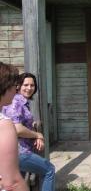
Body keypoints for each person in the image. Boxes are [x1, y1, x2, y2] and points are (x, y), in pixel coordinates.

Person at [2, 73, 55, 191]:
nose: (29, 88)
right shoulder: (16, 102)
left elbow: (23, 126)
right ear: (18, 86)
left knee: (15, 185)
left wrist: (35, 134)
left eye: (32, 85)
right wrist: (38, 134)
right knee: (49, 170)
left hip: (17, 152)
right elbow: (18, 129)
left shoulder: (22, 102)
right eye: (25, 85)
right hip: (19, 152)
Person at [0, 62, 29, 191]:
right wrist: (37, 135)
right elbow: (13, 182)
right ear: (4, 87)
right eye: (14, 85)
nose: (15, 89)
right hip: (23, 151)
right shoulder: (4, 124)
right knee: (49, 169)